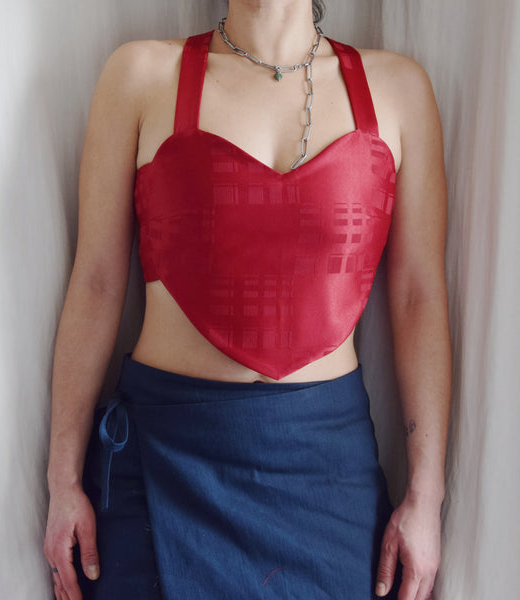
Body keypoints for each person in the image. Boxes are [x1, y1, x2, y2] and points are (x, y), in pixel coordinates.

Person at [43, 1, 451, 599]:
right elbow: (98, 281)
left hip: (324, 474)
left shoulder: (399, 90)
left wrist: (426, 496)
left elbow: (418, 296)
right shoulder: (139, 76)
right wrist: (62, 482)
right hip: (163, 460)